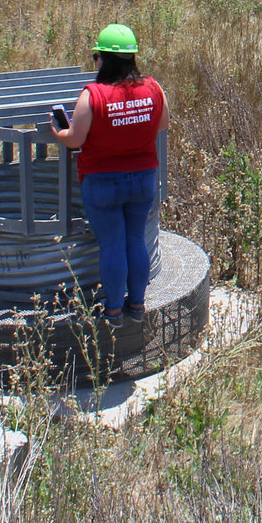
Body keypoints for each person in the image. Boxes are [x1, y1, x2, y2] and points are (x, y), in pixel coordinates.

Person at [48, 23, 167, 327]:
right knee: (136, 240)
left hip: (102, 181)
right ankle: (137, 305)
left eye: (96, 57)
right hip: (142, 178)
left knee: (112, 245)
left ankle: (113, 310)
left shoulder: (93, 95)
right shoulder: (154, 88)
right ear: (132, 59)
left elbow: (75, 139)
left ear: (102, 59)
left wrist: (59, 132)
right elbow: (162, 124)